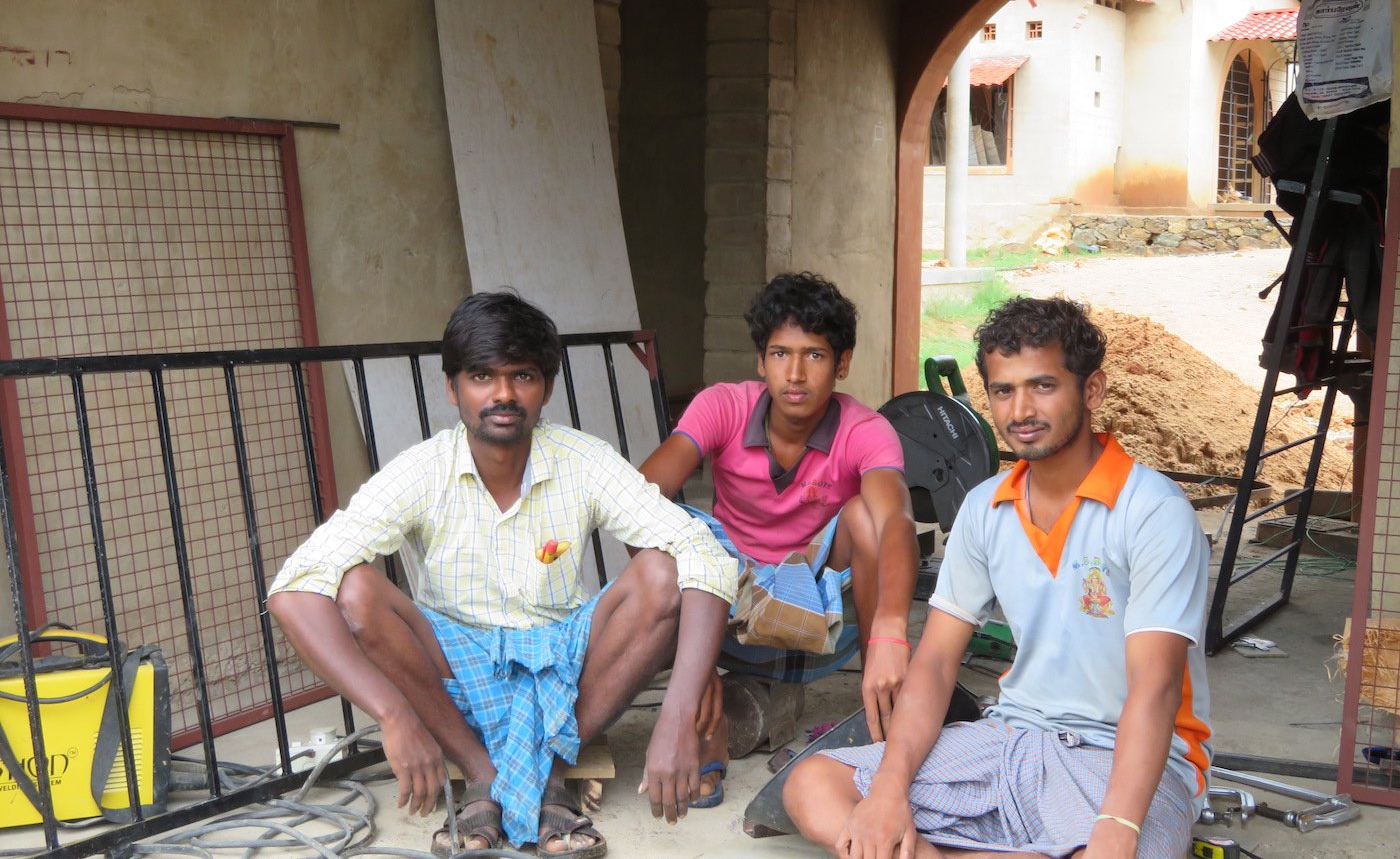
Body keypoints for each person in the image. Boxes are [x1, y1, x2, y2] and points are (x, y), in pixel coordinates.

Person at [266, 291, 737, 859]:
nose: (504, 394)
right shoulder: (423, 470)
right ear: (453, 387)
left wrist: (677, 715)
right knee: (357, 588)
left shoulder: (581, 459)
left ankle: (556, 770)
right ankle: (482, 773)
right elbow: (295, 586)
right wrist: (392, 716)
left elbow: (704, 554)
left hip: (563, 664)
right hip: (457, 668)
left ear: (547, 388)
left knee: (663, 570)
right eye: (482, 375)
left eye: (523, 375)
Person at [782, 296, 1212, 859]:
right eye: (1003, 391)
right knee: (813, 785)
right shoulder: (986, 508)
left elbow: (1153, 692)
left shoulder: (1152, 511)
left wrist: (1118, 825)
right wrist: (888, 790)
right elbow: (935, 662)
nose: (1020, 410)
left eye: (1043, 386)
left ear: (1093, 390)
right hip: (1009, 738)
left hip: (1122, 762)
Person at [640, 272, 917, 806]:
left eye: (814, 356)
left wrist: (890, 632)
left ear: (842, 364)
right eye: (780, 353)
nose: (795, 373)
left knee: (865, 514)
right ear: (760, 361)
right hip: (726, 602)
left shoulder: (865, 430)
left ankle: (880, 702)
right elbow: (639, 498)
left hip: (820, 610)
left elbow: (897, 523)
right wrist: (691, 662)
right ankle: (707, 696)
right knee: (672, 520)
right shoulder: (722, 405)